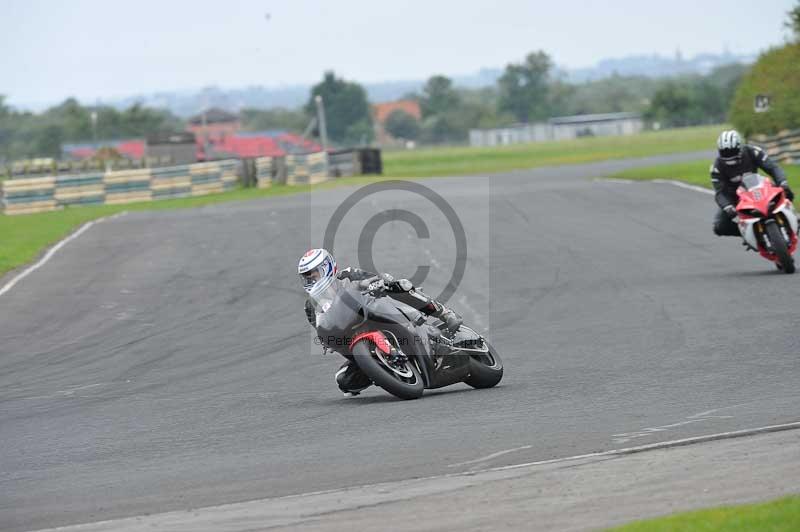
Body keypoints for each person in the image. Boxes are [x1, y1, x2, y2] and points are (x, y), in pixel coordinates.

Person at [297, 248, 462, 396]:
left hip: (375, 312)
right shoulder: (311, 305)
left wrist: (378, 281)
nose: (311, 279)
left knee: (401, 286)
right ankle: (381, 369)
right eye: (307, 277)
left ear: (327, 267)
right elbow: (321, 325)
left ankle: (444, 314)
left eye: (314, 273)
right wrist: (327, 339)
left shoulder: (347, 275)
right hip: (351, 335)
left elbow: (374, 277)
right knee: (343, 381)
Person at [711, 129, 793, 237]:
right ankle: (750, 235)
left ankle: (791, 219)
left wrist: (782, 182)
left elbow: (773, 168)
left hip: (758, 186)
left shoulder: (753, 151)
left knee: (787, 192)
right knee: (719, 227)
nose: (729, 156)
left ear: (739, 147)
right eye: (725, 152)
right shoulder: (717, 167)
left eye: (732, 152)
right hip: (734, 196)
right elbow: (719, 192)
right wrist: (727, 206)